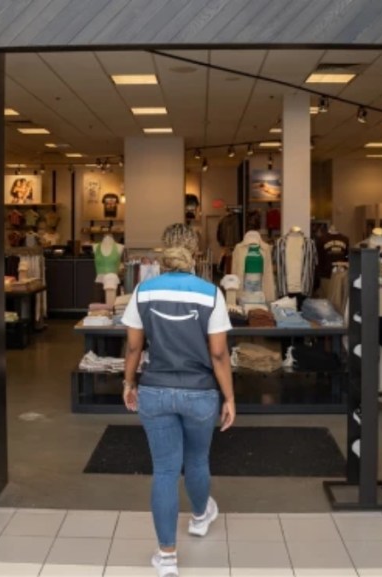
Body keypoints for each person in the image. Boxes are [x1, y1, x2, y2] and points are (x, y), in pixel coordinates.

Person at [121, 223, 235, 577]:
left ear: (163, 250)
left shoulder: (143, 290)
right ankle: (200, 518)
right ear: (195, 252)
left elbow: (134, 346)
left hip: (155, 390)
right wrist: (229, 398)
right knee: (197, 459)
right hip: (200, 393)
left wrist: (128, 382)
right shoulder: (210, 293)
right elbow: (219, 356)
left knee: (165, 470)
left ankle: (167, 555)